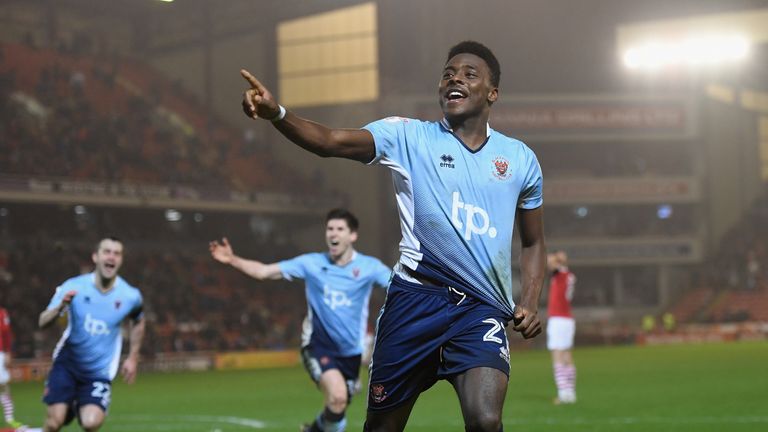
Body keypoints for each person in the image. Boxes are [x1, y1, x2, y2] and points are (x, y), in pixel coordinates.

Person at [239, 40, 546, 431]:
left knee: (486, 421)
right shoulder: (407, 136)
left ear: (492, 93)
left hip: (480, 308)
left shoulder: (520, 159)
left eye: (470, 74)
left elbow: (534, 242)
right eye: (448, 73)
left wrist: (532, 302)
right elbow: (329, 141)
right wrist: (277, 114)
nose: (455, 78)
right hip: (413, 303)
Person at [209, 209, 391, 432]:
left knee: (337, 410)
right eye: (330, 228)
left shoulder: (369, 267)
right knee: (337, 398)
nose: (333, 234)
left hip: (352, 351)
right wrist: (232, 259)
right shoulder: (311, 264)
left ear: (352, 235)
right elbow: (265, 272)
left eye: (340, 229)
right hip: (319, 346)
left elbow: (399, 287)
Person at [38, 237, 145, 432]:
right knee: (54, 422)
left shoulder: (130, 296)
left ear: (121, 260)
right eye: (106, 251)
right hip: (67, 365)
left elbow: (138, 321)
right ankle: (66, 407)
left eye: (117, 253)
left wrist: (133, 357)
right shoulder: (74, 286)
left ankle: (75, 403)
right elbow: (43, 321)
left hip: (98, 372)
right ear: (95, 257)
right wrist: (60, 306)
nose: (111, 256)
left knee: (91, 422)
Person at [545, 250, 577, 405]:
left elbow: (552, 262)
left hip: (558, 320)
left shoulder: (560, 275)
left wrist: (556, 258)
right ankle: (570, 393)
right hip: (568, 320)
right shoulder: (568, 276)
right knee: (567, 356)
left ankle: (563, 393)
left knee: (557, 357)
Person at [0, 304, 24, 430]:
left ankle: (10, 419)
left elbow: (6, 334)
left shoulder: (2, 313)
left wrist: (8, 351)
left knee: (3, 386)